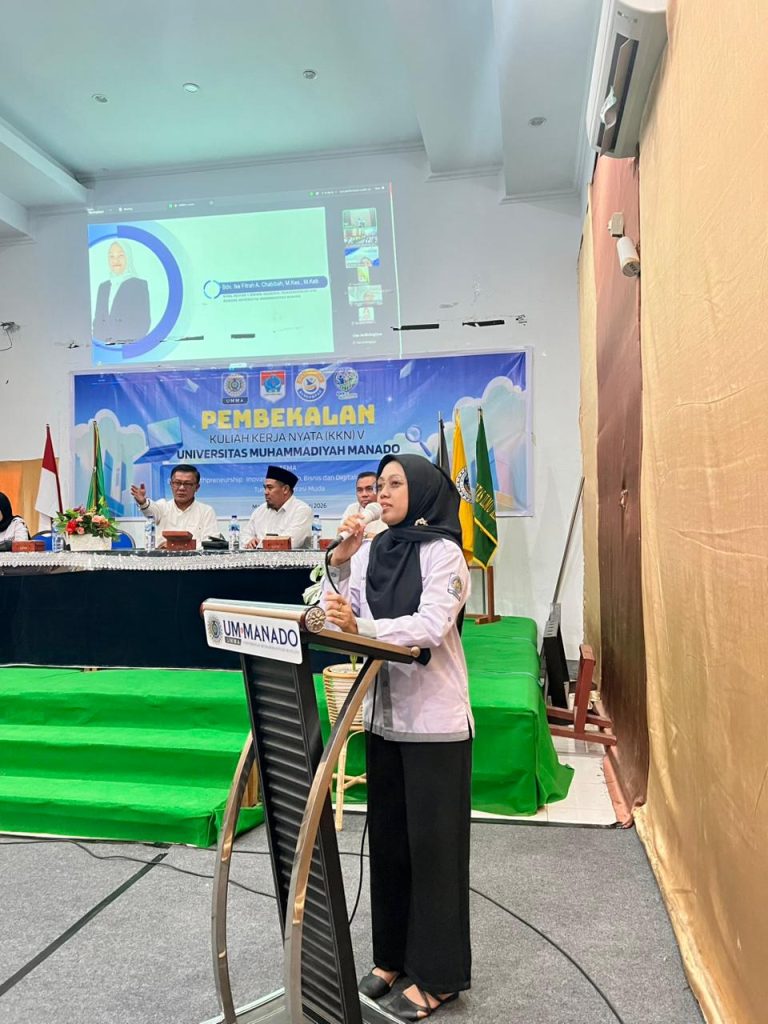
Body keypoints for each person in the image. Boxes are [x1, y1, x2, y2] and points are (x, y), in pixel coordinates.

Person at [322, 454, 472, 1021]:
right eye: (378, 485)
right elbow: (348, 612)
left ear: (424, 492)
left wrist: (360, 626)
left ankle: (438, 977)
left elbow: (431, 626)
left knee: (434, 853)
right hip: (384, 717)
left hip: (435, 723)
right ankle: (391, 958)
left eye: (394, 484)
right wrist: (339, 569)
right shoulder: (374, 548)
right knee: (388, 846)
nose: (380, 493)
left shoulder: (444, 554)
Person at [130, 464, 218, 547]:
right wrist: (143, 502)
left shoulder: (206, 511)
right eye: (177, 483)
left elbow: (210, 544)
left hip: (195, 558)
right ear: (171, 484)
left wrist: (175, 546)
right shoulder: (162, 506)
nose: (181, 488)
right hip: (164, 557)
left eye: (187, 484)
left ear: (197, 487)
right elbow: (150, 511)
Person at [92, 240, 151, 343]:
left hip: (129, 346)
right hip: (105, 347)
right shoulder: (103, 287)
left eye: (121, 255)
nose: (116, 260)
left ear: (128, 257)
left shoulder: (139, 285)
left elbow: (143, 323)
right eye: (111, 256)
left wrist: (122, 344)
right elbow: (97, 321)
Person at [242, 465, 313, 549]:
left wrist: (259, 544)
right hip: (258, 557)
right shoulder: (260, 510)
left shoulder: (302, 510)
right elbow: (245, 535)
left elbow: (290, 542)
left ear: (285, 489)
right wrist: (250, 541)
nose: (265, 492)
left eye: (270, 488)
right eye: (265, 488)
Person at [340, 470, 387, 538]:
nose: (364, 494)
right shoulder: (352, 508)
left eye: (369, 489)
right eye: (359, 490)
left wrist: (362, 535)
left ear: (379, 490)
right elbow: (343, 534)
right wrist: (367, 535)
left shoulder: (387, 509)